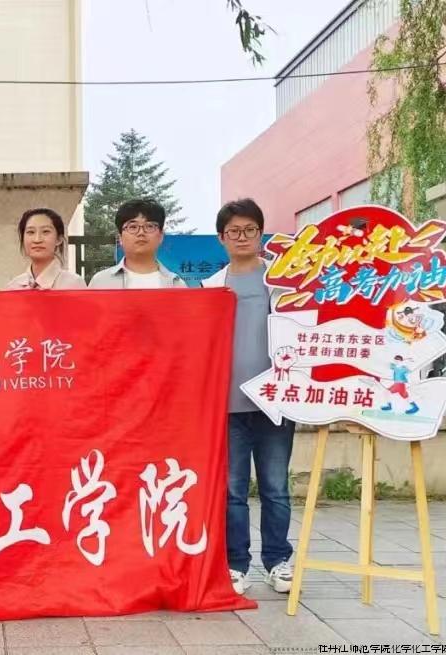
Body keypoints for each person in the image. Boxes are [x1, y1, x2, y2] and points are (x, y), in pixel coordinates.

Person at [202, 197, 293, 596]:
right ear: (221, 238)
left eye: (250, 230)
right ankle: (236, 564)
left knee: (275, 487)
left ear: (261, 234)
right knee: (232, 491)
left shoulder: (284, 284)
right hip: (227, 405)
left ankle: (278, 561)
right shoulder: (210, 287)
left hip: (276, 403)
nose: (242, 237)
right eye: (234, 231)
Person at [88, 199, 186, 289]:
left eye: (149, 226)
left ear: (161, 236)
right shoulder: (100, 282)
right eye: (133, 227)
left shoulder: (176, 285)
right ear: (120, 238)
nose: (141, 233)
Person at [5, 208, 87, 290]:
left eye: (45, 231)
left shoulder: (74, 285)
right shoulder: (13, 287)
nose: (37, 239)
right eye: (31, 232)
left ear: (59, 239)